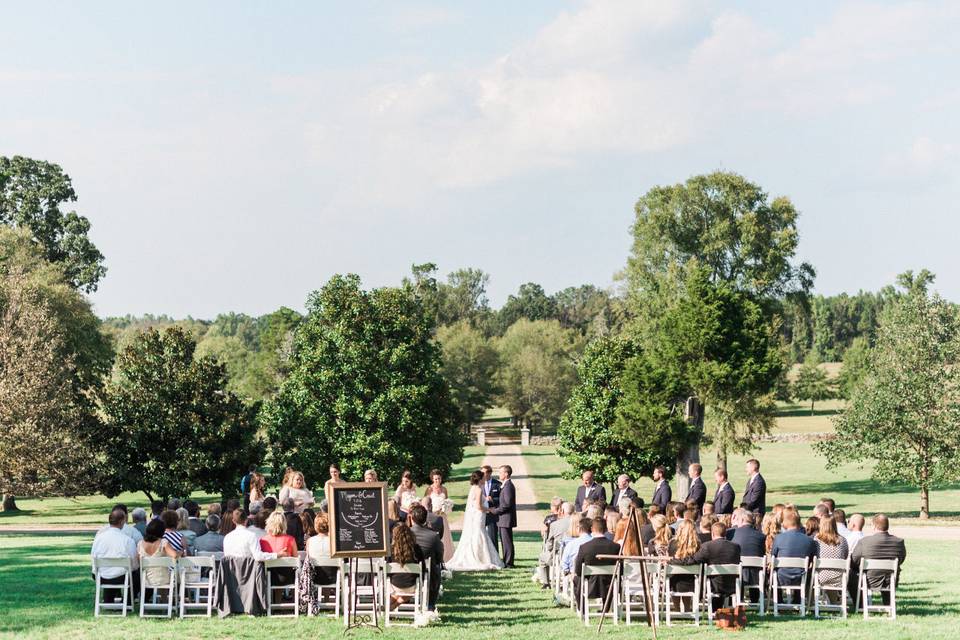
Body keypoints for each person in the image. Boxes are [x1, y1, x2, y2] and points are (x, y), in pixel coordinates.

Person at [674, 521, 740, 610]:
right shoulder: (736, 547)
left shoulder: (707, 546)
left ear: (712, 533)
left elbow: (692, 560)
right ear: (726, 533)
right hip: (733, 584)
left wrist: (673, 561)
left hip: (714, 585)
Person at [447, 470, 504, 571]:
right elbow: (478, 506)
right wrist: (489, 509)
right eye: (483, 477)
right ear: (480, 479)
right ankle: (479, 558)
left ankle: (479, 556)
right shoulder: (478, 489)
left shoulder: (473, 488)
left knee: (477, 534)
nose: (484, 479)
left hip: (476, 516)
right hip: (479, 516)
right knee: (479, 534)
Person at [850, 514, 906, 605]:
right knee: (888, 572)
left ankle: (861, 604)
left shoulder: (865, 541)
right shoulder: (899, 542)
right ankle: (888, 604)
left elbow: (854, 560)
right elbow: (901, 559)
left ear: (874, 526)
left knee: (852, 574)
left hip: (869, 579)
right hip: (891, 578)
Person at [91, 508, 140, 604]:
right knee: (137, 574)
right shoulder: (127, 540)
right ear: (122, 521)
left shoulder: (99, 538)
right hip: (121, 577)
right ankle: (128, 601)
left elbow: (93, 557)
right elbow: (134, 565)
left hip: (100, 577)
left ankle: (108, 600)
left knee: (113, 571)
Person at [573, 517, 620, 610]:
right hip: (609, 584)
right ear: (606, 529)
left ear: (591, 529)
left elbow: (578, 570)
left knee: (576, 579)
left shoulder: (584, 547)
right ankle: (606, 607)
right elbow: (620, 568)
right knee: (612, 577)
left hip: (590, 583)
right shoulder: (616, 547)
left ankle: (582, 608)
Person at [408, 504, 444, 613]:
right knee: (436, 569)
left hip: (406, 573)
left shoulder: (404, 533)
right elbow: (439, 558)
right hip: (426, 573)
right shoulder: (433, 536)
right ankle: (430, 604)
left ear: (411, 518)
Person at [771, 511, 817, 587]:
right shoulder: (809, 540)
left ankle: (778, 598)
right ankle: (798, 598)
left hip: (781, 577)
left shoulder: (778, 538)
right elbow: (812, 559)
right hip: (801, 578)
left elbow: (773, 556)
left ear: (785, 522)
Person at [387, 523, 425, 610]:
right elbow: (422, 567)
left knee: (399, 590)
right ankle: (393, 605)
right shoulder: (416, 549)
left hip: (393, 585)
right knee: (411, 590)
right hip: (412, 586)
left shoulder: (390, 550)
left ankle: (391, 606)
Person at [138, 518, 179, 599]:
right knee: (171, 574)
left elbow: (138, 560)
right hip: (163, 578)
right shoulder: (163, 543)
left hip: (146, 578)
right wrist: (180, 552)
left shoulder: (140, 543)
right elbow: (174, 555)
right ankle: (166, 601)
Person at [814, 515, 849, 602]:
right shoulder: (843, 540)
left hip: (820, 577)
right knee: (833, 572)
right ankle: (833, 602)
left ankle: (811, 603)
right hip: (839, 577)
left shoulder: (817, 540)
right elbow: (845, 556)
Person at [423, 468, 454, 562]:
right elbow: (425, 502)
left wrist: (446, 508)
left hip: (443, 516)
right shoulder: (429, 489)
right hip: (433, 516)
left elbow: (447, 501)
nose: (437, 481)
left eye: (439, 478)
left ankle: (447, 556)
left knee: (445, 535)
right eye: (435, 479)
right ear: (432, 479)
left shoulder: (444, 489)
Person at [728, 510, 766, 587]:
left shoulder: (730, 533)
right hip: (757, 576)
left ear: (742, 520)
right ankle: (754, 599)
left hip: (735, 575)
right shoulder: (761, 536)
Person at [260, 511, 298, 585]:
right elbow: (295, 559)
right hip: (285, 578)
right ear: (284, 523)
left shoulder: (263, 540)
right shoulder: (290, 539)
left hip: (267, 577)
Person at [492, 464, 517, 567]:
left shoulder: (508, 486)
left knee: (507, 542)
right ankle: (507, 561)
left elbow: (506, 505)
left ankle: (509, 563)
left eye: (501, 472)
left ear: (506, 474)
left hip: (505, 518)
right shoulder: (505, 485)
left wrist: (495, 511)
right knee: (505, 541)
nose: (499, 474)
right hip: (504, 519)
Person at [306, 513, 337, 585]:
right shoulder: (334, 541)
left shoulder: (310, 541)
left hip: (315, 576)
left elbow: (308, 558)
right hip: (333, 577)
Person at [480, 464, 502, 553]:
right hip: (481, 513)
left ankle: (495, 555)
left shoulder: (498, 484)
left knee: (493, 536)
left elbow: (502, 499)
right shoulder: (479, 484)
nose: (482, 475)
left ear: (489, 473)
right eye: (481, 473)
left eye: (484, 473)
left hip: (493, 514)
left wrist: (492, 499)